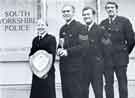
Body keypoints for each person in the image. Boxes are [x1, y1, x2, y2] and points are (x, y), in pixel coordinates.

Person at [100, 1, 135, 98]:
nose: (110, 9)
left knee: (122, 85)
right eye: (108, 8)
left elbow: (131, 40)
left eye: (112, 7)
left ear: (116, 9)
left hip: (120, 60)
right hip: (107, 60)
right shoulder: (103, 23)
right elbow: (101, 41)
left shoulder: (124, 21)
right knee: (108, 85)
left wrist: (124, 52)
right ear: (106, 10)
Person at [57, 4, 88, 98]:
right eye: (64, 12)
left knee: (76, 94)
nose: (65, 13)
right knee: (66, 94)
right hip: (64, 67)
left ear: (73, 13)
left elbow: (84, 46)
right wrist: (58, 49)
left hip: (76, 68)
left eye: (68, 11)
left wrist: (67, 52)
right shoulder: (62, 29)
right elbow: (60, 44)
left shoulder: (81, 27)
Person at [29, 20, 56, 98]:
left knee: (47, 94)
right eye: (38, 25)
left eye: (42, 25)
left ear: (47, 27)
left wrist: (44, 72)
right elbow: (31, 54)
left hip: (47, 73)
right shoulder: (35, 40)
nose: (40, 27)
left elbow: (52, 56)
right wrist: (33, 67)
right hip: (36, 72)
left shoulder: (51, 38)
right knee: (36, 94)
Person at [81, 6, 104, 98]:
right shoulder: (82, 30)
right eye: (84, 15)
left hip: (96, 68)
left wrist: (101, 64)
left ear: (93, 15)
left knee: (98, 93)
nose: (86, 16)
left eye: (88, 14)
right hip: (83, 67)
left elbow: (107, 49)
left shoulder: (101, 30)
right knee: (83, 93)